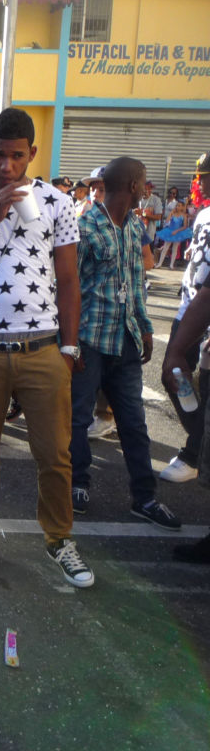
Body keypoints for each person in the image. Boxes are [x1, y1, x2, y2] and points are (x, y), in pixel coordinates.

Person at [0, 107, 93, 588]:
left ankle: (59, 539)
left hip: (41, 348)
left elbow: (69, 281)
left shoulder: (56, 203)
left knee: (55, 453)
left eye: (15, 156)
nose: (6, 166)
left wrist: (68, 349)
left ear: (31, 154)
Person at [70, 157, 179, 530]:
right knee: (77, 418)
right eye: (144, 183)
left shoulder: (134, 227)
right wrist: (70, 343)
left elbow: (135, 286)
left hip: (127, 341)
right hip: (90, 341)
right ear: (132, 185)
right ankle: (77, 483)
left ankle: (144, 498)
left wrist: (145, 327)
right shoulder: (84, 226)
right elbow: (66, 289)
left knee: (133, 423)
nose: (147, 189)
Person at [162, 157, 210, 563]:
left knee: (174, 366)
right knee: (172, 376)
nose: (200, 182)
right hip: (188, 311)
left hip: (202, 319)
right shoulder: (202, 215)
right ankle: (198, 443)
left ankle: (197, 450)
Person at [154, 200, 192, 269]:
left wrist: (177, 231)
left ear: (182, 207)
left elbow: (185, 226)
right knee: (165, 247)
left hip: (178, 232)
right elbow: (167, 222)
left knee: (175, 248)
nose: (177, 207)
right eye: (177, 205)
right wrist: (171, 214)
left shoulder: (184, 215)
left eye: (179, 206)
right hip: (170, 231)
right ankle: (160, 263)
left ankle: (171, 264)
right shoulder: (173, 213)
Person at [138, 180, 163, 245]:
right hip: (136, 233)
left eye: (146, 189)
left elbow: (158, 217)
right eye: (142, 189)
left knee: (148, 253)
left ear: (150, 190)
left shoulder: (156, 200)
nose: (144, 191)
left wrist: (143, 214)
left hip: (149, 233)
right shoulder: (138, 198)